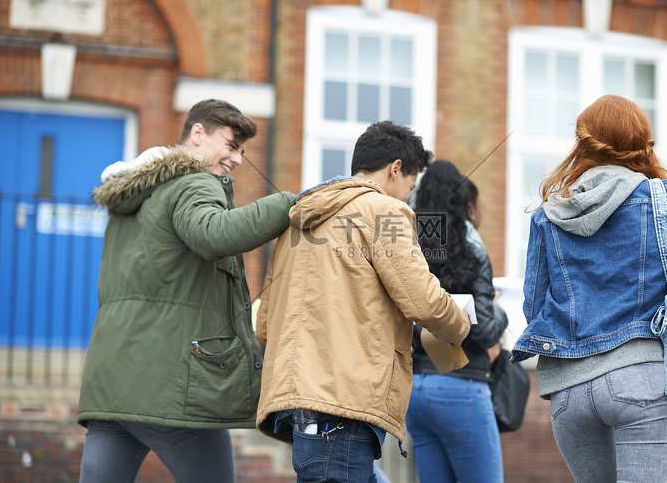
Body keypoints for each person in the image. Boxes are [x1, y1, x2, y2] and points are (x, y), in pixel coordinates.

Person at [511, 95, 667, 483]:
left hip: (568, 389)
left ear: (582, 144)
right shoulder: (663, 198)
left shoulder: (548, 214)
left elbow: (534, 308)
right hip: (642, 377)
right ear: (642, 145)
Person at [77, 99, 296, 483]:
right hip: (172, 385)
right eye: (231, 145)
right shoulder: (192, 181)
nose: (239, 159)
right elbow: (215, 233)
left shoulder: (133, 199)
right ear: (197, 134)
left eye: (243, 151)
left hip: (110, 383)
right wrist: (290, 203)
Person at [255, 120, 471, 483]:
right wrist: (460, 324)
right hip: (344, 402)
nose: (408, 197)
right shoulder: (384, 211)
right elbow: (422, 300)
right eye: (410, 187)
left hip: (298, 400)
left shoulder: (298, 221)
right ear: (395, 169)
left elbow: (264, 324)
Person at [406, 160, 507, 483]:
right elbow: (485, 330)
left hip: (416, 390)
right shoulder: (470, 247)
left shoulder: (406, 246)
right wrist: (502, 311)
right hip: (460, 388)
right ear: (464, 204)